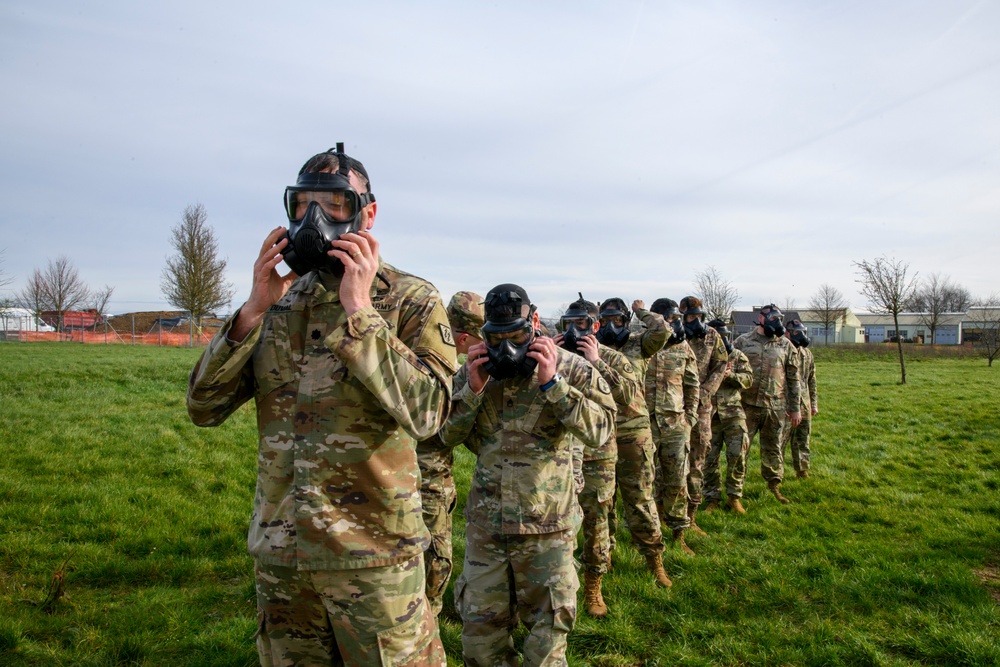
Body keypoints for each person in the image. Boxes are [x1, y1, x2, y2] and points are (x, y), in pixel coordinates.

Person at [186, 146, 456, 666]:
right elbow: (203, 407)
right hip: (284, 557)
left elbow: (429, 414)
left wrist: (361, 313)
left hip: (374, 559)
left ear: (367, 213)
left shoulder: (410, 299)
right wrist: (250, 312)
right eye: (303, 203)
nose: (315, 217)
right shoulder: (278, 302)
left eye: (334, 203)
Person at [439, 283, 616, 666]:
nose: (507, 347)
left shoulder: (572, 368)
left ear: (534, 322)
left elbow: (601, 431)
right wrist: (471, 391)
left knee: (546, 644)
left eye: (516, 336)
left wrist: (554, 385)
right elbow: (445, 435)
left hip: (548, 530)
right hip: (488, 529)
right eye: (497, 337)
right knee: (480, 642)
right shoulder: (475, 370)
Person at [555, 297, 669, 619]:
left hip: (608, 443)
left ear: (595, 326)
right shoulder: (557, 356)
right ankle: (586, 578)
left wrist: (596, 360)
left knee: (623, 506)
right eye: (569, 324)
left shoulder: (614, 357)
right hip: (575, 447)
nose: (575, 332)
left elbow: (628, 396)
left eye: (581, 325)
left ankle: (651, 563)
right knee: (587, 515)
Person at [418, 291, 484, 617]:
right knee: (431, 561)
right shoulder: (442, 366)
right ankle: (426, 625)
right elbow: (442, 434)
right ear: (462, 337)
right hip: (424, 478)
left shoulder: (417, 344)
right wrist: (472, 393)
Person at [595, 297, 670, 582]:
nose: (612, 325)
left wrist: (642, 311)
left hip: (633, 431)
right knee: (605, 501)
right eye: (606, 319)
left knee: (639, 497)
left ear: (626, 320)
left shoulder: (639, 344)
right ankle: (605, 556)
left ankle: (654, 559)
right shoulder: (592, 346)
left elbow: (663, 331)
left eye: (618, 319)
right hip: (599, 433)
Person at [646, 298, 700, 555]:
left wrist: (690, 418)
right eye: (665, 319)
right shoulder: (642, 344)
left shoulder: (683, 348)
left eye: (674, 318)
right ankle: (646, 531)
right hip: (644, 423)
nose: (671, 323)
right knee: (644, 480)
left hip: (675, 424)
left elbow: (692, 385)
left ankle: (679, 531)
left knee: (677, 479)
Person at [732, 304, 801, 504]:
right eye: (771, 317)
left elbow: (793, 379)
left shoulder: (786, 345)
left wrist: (795, 408)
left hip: (775, 406)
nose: (775, 321)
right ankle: (735, 494)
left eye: (778, 317)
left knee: (773, 449)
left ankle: (774, 486)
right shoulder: (743, 342)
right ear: (761, 318)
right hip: (747, 405)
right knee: (739, 450)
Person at [677, 296, 728, 534]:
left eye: (699, 316)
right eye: (690, 316)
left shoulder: (712, 336)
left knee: (698, 460)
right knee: (671, 463)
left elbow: (720, 364)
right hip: (675, 407)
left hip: (702, 409)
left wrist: (705, 392)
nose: (695, 320)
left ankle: (691, 516)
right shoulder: (672, 335)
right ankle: (668, 514)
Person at [702, 319, 754, 514]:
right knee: (709, 458)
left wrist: (731, 376)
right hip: (710, 414)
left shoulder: (737, 356)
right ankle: (712, 498)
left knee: (737, 454)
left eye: (723, 336)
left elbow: (749, 379)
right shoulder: (703, 356)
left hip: (733, 412)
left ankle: (734, 497)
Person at [783, 319, 818, 479]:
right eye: (797, 333)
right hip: (785, 405)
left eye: (803, 332)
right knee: (779, 442)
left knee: (802, 440)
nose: (801, 336)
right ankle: (776, 475)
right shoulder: (782, 350)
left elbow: (811, 379)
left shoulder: (807, 353)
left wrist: (813, 404)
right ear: (787, 333)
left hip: (804, 404)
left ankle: (802, 470)